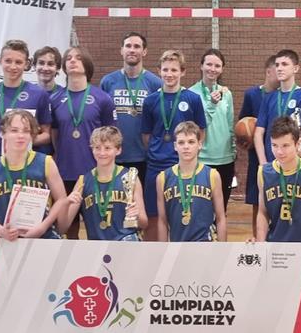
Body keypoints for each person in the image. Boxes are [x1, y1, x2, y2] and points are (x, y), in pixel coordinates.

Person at [254, 116, 301, 304]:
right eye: (274, 145)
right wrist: (261, 243)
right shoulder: (263, 173)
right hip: (275, 251)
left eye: (285, 145)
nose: (279, 152)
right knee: (273, 306)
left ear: (297, 143)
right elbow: (262, 212)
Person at [51, 46, 116, 238]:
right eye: (68, 58)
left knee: (97, 222)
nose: (72, 60)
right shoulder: (55, 99)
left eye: (78, 57)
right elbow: (54, 134)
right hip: (65, 171)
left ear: (87, 64)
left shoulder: (102, 98)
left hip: (94, 172)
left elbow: (111, 135)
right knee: (68, 225)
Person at [141, 50, 206, 241]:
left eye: (174, 70)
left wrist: (189, 155)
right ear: (159, 71)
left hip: (183, 166)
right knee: (153, 216)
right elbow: (146, 135)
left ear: (182, 72)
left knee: (182, 213)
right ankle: (154, 254)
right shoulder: (150, 100)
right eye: (165, 70)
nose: (169, 74)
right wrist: (158, 150)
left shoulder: (193, 99)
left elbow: (201, 131)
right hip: (156, 165)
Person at [0, 109, 69, 240]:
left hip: (44, 237)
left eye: (26, 131)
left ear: (32, 135)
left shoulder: (46, 162)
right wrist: (1, 230)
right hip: (7, 239)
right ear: (3, 133)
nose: (20, 135)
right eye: (14, 130)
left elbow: (61, 199)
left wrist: (43, 227)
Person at [99, 32, 163, 191]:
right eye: (128, 46)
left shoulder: (155, 83)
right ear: (121, 50)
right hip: (114, 155)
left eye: (137, 46)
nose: (132, 50)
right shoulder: (108, 81)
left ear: (144, 51)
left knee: (140, 202)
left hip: (144, 157)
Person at [65, 126, 148, 241]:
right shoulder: (83, 181)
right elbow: (63, 226)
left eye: (107, 148)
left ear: (118, 150)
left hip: (125, 242)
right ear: (92, 149)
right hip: (96, 245)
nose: (102, 153)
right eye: (97, 148)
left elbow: (144, 223)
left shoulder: (130, 177)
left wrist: (137, 215)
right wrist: (66, 203)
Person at [0, 39, 52, 163]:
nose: (13, 66)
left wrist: (22, 139)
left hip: (26, 164)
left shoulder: (39, 95)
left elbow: (47, 135)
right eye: (8, 61)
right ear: (0, 61)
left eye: (18, 62)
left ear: (26, 64)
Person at [156, 121, 227, 242]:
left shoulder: (212, 175)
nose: (186, 147)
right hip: (177, 245)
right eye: (181, 142)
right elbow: (162, 221)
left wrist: (222, 248)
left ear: (199, 144)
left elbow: (220, 218)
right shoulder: (163, 178)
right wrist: (163, 250)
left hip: (205, 245)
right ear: (175, 146)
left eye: (191, 142)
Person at [189, 49, 236, 207]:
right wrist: (211, 104)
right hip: (202, 158)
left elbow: (229, 124)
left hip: (225, 158)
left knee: (221, 207)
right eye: (209, 64)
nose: (212, 69)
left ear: (222, 69)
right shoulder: (191, 93)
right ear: (201, 66)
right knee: (201, 207)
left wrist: (233, 150)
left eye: (217, 66)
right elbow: (194, 127)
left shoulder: (226, 94)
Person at [237, 55, 278, 236]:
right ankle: (258, 238)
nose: (281, 73)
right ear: (268, 71)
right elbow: (242, 124)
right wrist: (245, 138)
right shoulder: (252, 94)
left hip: (278, 153)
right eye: (277, 69)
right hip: (257, 157)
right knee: (257, 201)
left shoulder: (283, 95)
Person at [253, 49, 301, 166]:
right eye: (277, 65)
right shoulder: (269, 97)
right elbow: (258, 133)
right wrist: (263, 163)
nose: (279, 68)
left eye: (284, 64)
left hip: (293, 162)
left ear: (295, 68)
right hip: (271, 162)